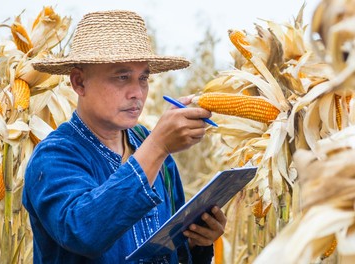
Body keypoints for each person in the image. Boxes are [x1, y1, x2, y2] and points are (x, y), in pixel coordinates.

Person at [22, 10, 227, 264]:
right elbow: (83, 232)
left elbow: (174, 250)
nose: (137, 93)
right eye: (122, 77)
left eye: (143, 78)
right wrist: (159, 146)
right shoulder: (54, 156)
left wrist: (198, 241)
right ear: (79, 82)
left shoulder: (148, 143)